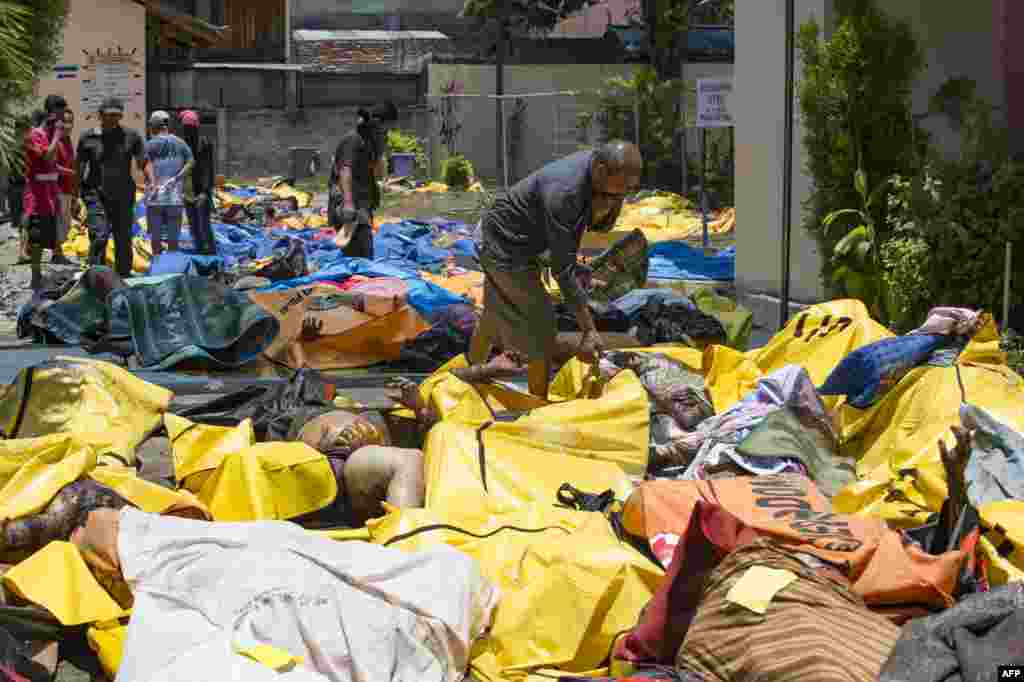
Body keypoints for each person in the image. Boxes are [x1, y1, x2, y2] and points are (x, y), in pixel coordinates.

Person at [467, 141, 643, 398]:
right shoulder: (565, 193)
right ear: (602, 172)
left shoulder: (596, 169)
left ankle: (468, 380)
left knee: (493, 315)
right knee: (542, 324)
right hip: (502, 245)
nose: (620, 199)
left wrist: (577, 270)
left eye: (625, 193)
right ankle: (539, 402)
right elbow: (562, 270)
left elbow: (565, 253)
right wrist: (588, 331)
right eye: (616, 193)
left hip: (517, 239)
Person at [75, 97, 147, 277]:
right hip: (95, 193)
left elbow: (143, 162)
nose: (114, 118)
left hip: (123, 194)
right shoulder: (88, 137)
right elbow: (79, 168)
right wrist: (74, 195)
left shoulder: (131, 136)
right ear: (100, 115)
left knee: (123, 237)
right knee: (99, 234)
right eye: (110, 115)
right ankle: (97, 275)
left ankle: (123, 275)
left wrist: (151, 180)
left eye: (118, 115)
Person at [329, 102, 398, 259]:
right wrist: (348, 203)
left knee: (362, 257)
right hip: (349, 207)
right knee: (360, 258)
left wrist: (380, 150)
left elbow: (379, 174)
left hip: (362, 206)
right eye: (388, 127)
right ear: (379, 123)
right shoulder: (353, 140)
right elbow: (345, 170)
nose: (388, 131)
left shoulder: (369, 143)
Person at [22, 96, 68, 290]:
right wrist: (57, 136)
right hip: (37, 194)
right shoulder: (34, 135)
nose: (61, 121)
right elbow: (46, 157)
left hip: (50, 193)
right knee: (36, 238)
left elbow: (55, 164)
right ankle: (35, 276)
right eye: (59, 116)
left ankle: (45, 273)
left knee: (48, 235)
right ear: (50, 114)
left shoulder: (52, 136)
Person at [143, 110, 193, 257]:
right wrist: (177, 178)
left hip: (154, 197)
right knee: (173, 238)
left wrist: (152, 182)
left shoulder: (150, 144)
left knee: (156, 237)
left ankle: (158, 265)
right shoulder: (180, 143)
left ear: (153, 126)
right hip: (175, 197)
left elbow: (144, 164)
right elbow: (191, 162)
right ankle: (171, 265)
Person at [178, 109, 217, 255]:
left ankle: (211, 254)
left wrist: (205, 192)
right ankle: (201, 252)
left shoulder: (203, 143)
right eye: (186, 128)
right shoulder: (183, 144)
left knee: (204, 226)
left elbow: (208, 168)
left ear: (196, 127)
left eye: (191, 128)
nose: (188, 131)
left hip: (200, 192)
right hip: (188, 192)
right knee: (194, 226)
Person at [53, 106, 76, 265]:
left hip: (68, 189)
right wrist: (72, 173)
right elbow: (52, 166)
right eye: (64, 122)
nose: (68, 126)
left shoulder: (68, 141)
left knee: (66, 225)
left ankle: (58, 253)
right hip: (57, 190)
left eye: (70, 122)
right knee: (59, 224)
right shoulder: (55, 141)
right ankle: (57, 254)